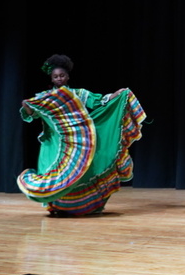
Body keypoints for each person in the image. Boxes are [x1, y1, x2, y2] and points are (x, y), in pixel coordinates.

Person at [18, 54, 147, 217]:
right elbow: (33, 114)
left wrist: (117, 95)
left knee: (84, 170)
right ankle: (57, 205)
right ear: (51, 78)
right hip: (55, 143)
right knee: (53, 172)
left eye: (62, 75)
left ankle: (85, 206)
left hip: (78, 142)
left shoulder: (78, 94)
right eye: (55, 76)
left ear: (67, 76)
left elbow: (98, 102)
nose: (59, 78)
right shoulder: (45, 97)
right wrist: (27, 106)